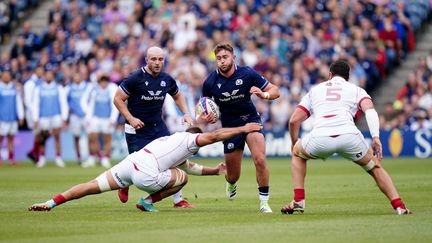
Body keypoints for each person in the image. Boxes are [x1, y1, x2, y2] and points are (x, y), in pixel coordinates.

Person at [28, 122, 262, 212]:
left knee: (91, 186)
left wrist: (214, 171)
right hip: (146, 173)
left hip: (131, 163)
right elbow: (216, 136)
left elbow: (189, 166)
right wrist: (242, 129)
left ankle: (51, 202)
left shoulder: (170, 140)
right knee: (182, 179)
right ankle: (146, 202)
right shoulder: (190, 140)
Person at [280, 60, 411, 215]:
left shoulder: (315, 90)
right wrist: (375, 137)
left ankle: (299, 200)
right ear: (347, 77)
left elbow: (294, 121)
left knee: (297, 154)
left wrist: (295, 144)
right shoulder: (356, 90)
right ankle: (399, 206)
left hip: (320, 137)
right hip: (349, 137)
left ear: (329, 75)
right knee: (374, 168)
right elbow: (370, 111)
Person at [198, 43, 280, 213]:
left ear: (233, 58)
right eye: (218, 58)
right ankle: (231, 183)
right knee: (233, 174)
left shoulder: (247, 73)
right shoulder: (210, 82)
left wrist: (264, 95)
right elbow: (202, 106)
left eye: (225, 57)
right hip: (229, 127)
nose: (222, 61)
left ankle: (264, 202)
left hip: (250, 120)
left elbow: (275, 90)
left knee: (259, 158)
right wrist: (206, 116)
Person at [114, 46, 194, 208]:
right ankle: (124, 184)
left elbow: (178, 94)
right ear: (147, 60)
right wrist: (131, 118)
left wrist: (185, 112)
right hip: (136, 129)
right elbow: (117, 99)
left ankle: (178, 200)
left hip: (158, 127)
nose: (157, 63)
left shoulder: (167, 79)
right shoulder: (135, 78)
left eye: (160, 59)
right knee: (136, 164)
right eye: (153, 59)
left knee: (174, 159)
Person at [32, 69, 68, 168]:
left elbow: (63, 103)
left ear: (53, 76)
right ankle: (42, 158)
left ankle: (58, 158)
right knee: (42, 138)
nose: (48, 76)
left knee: (57, 136)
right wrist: (35, 118)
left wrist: (64, 117)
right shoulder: (38, 88)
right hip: (44, 116)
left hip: (56, 115)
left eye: (50, 74)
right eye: (46, 74)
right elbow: (35, 104)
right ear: (44, 76)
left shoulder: (58, 87)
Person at [81, 75, 118, 168]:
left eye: (105, 81)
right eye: (102, 81)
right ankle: (96, 157)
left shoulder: (111, 90)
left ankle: (105, 158)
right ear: (99, 82)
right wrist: (88, 115)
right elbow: (86, 102)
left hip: (107, 119)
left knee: (107, 139)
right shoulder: (94, 90)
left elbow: (114, 105)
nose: (103, 83)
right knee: (93, 138)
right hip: (95, 118)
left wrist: (112, 119)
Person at [65, 73, 91, 164]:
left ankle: (90, 156)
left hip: (86, 116)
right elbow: (65, 102)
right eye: (75, 77)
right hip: (74, 116)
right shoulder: (69, 88)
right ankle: (79, 157)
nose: (76, 78)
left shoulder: (88, 87)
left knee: (90, 135)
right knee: (76, 137)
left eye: (78, 76)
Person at [0, 70, 24, 166]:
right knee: (0, 138)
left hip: (12, 117)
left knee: (11, 138)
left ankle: (11, 159)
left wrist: (20, 115)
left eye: (8, 76)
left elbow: (18, 102)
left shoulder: (14, 88)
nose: (6, 77)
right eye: (4, 76)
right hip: (2, 118)